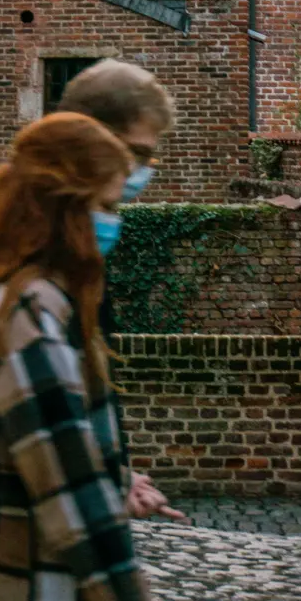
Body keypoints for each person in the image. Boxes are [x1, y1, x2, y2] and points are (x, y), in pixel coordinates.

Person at [0, 112, 178, 601]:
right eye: (104, 207)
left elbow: (28, 445)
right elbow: (67, 491)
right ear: (64, 208)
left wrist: (115, 479)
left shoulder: (0, 295)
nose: (112, 223)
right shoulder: (29, 314)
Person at [58, 60, 183, 522]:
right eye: (135, 152)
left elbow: (87, 391)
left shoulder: (84, 247)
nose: (142, 171)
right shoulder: (44, 258)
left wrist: (118, 474)